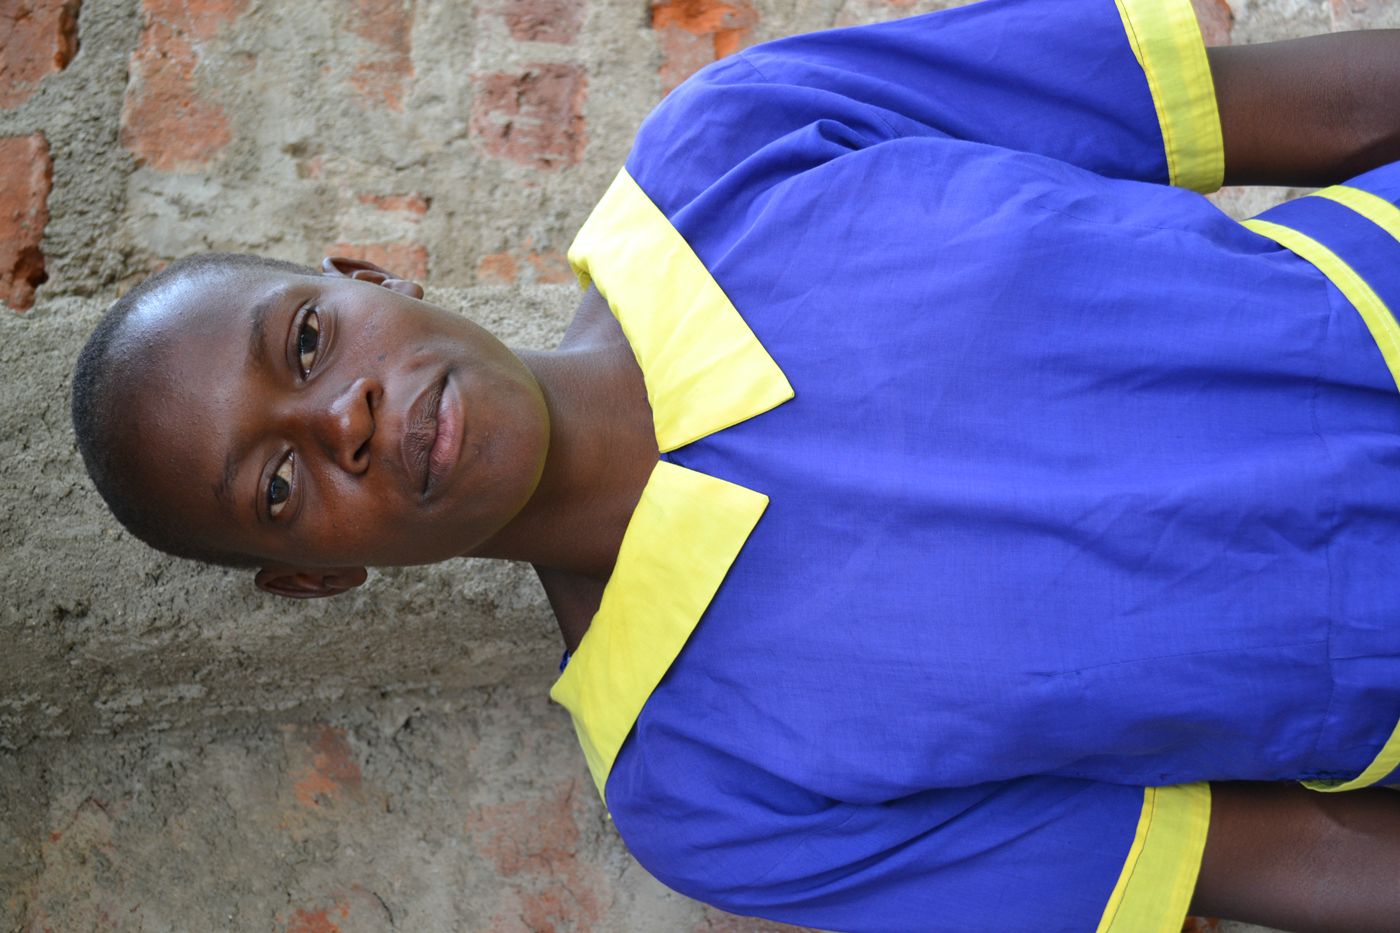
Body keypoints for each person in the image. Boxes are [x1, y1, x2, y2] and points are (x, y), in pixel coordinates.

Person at [69, 0, 1400, 929]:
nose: (342, 418)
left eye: (307, 340)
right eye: (280, 486)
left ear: (372, 273)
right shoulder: (703, 788)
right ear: (318, 576)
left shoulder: (735, 143)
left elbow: (1293, 104)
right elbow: (1270, 855)